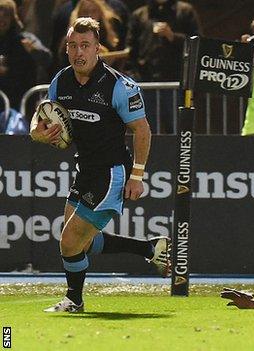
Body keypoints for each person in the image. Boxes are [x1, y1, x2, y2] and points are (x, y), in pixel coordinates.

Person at [29, 17, 169, 313]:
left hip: (111, 174)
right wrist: (38, 134)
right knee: (82, 241)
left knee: (69, 242)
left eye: (85, 46)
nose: (79, 52)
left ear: (98, 49)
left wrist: (137, 176)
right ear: (66, 49)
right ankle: (150, 248)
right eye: (73, 46)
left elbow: (142, 130)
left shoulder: (119, 86)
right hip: (85, 170)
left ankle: (74, 300)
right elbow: (41, 118)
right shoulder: (60, 81)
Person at [125, 0, 200, 133]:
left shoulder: (185, 11)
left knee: (177, 128)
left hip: (174, 82)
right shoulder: (140, 15)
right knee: (145, 129)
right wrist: (133, 77)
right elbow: (131, 50)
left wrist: (172, 36)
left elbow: (197, 43)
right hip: (145, 82)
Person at [0, 0, 51, 109]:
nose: (1, 20)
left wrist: (33, 51)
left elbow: (47, 59)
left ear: (13, 18)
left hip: (23, 101)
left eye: (6, 16)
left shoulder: (25, 39)